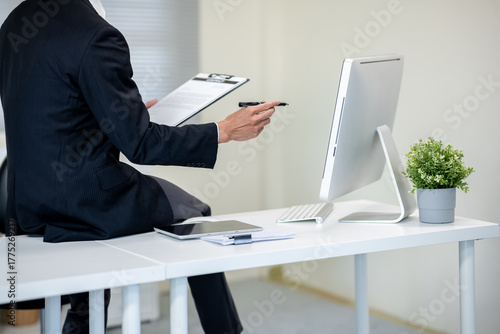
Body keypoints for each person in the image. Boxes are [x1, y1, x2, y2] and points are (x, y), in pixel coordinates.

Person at [0, 0, 280, 333]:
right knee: (194, 211)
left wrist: (120, 113)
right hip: (85, 202)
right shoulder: (97, 35)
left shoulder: (17, 20)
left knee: (89, 282)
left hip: (24, 199)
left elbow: (51, 111)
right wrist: (224, 130)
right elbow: (140, 145)